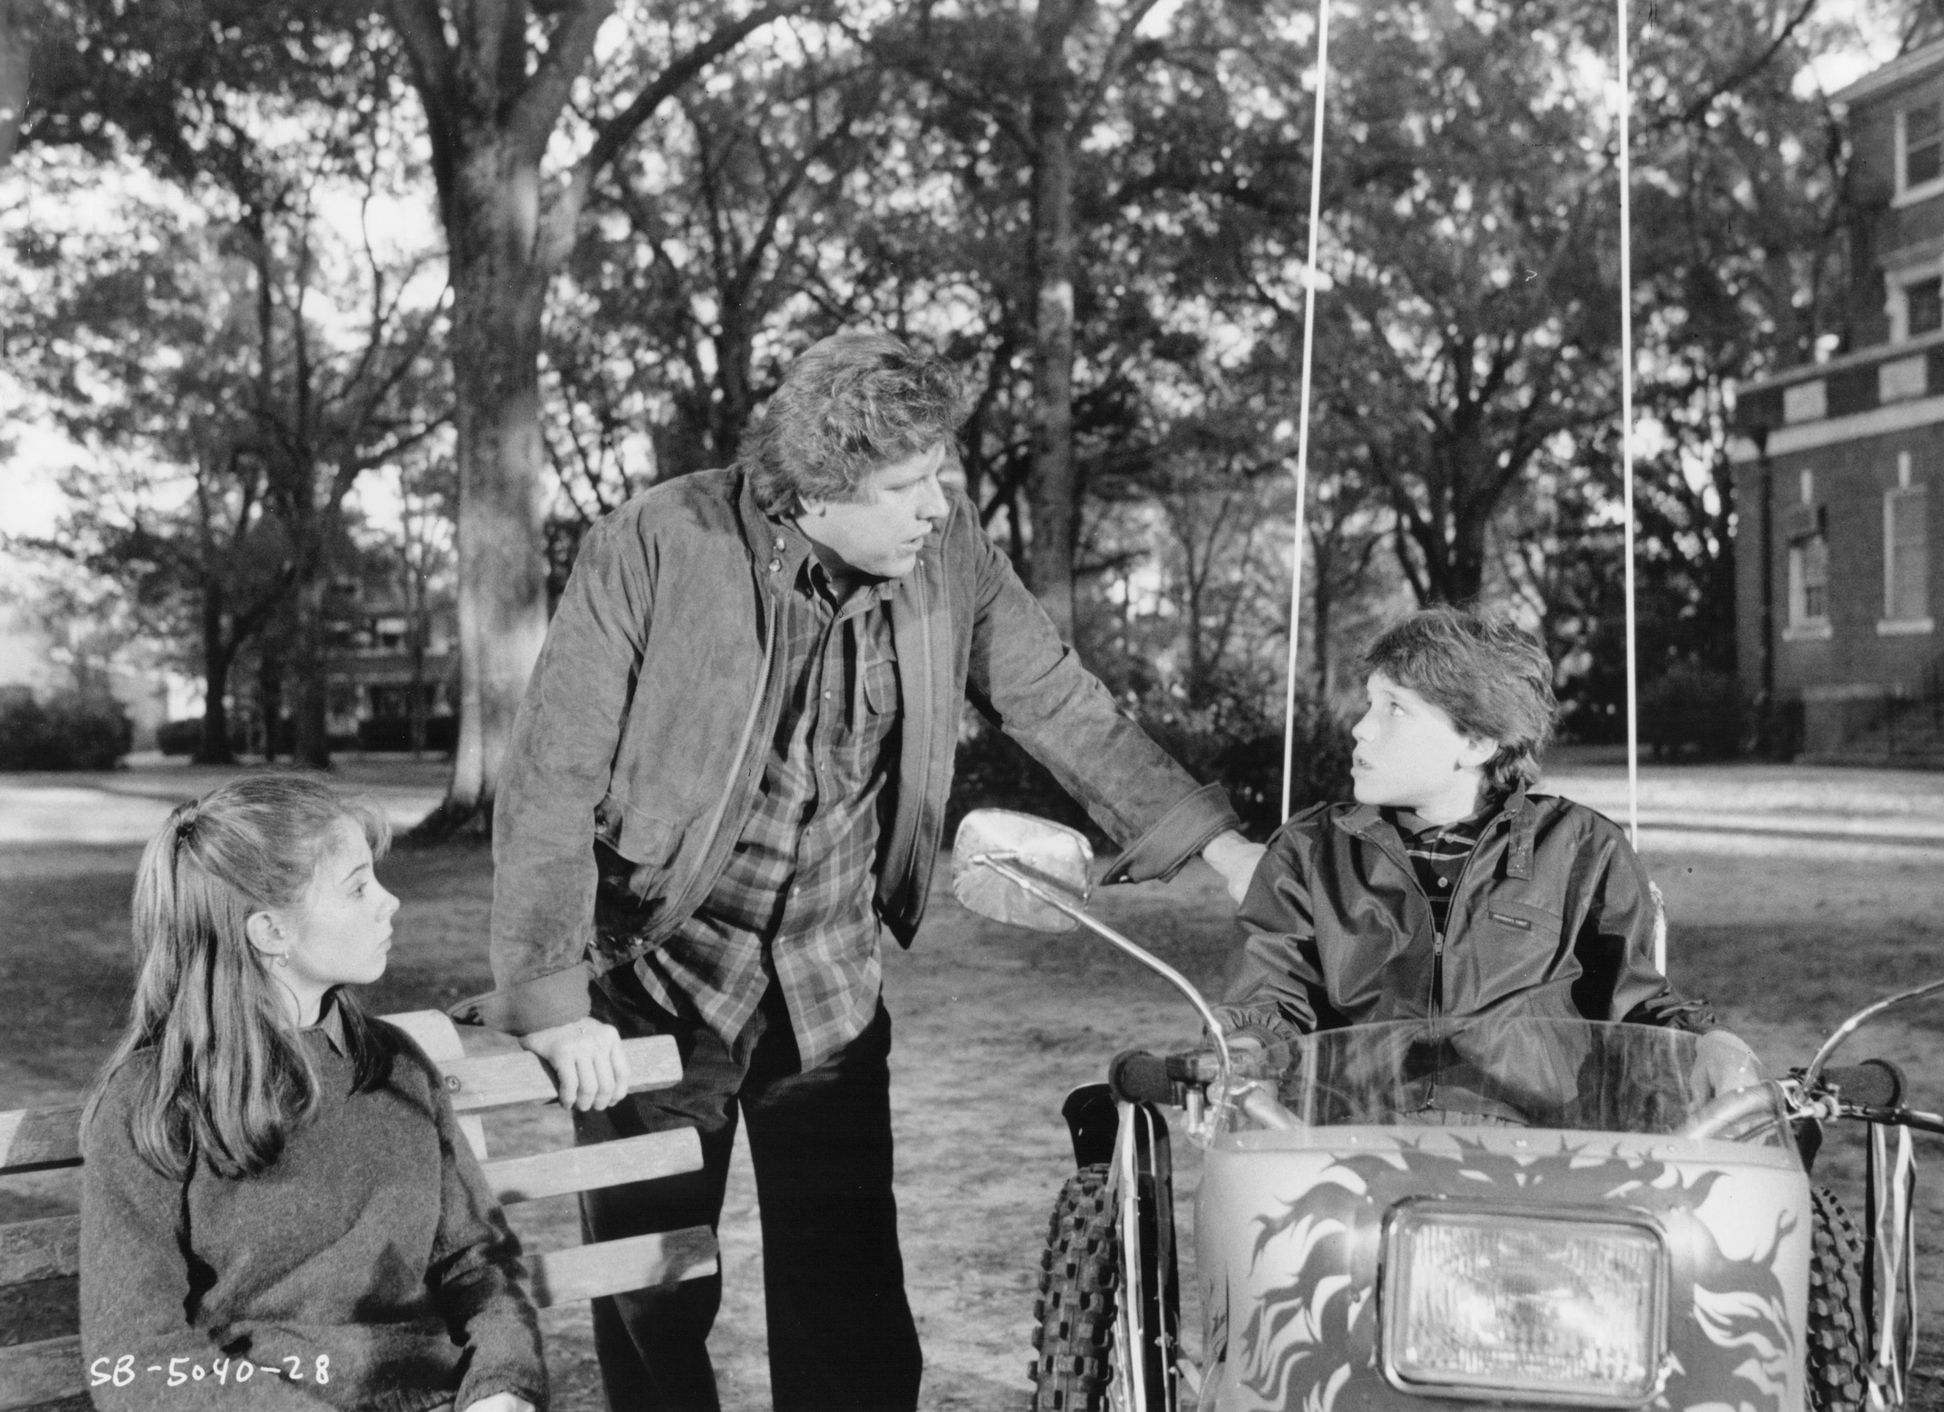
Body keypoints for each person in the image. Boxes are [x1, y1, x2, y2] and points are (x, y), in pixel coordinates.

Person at [461, 330, 1266, 1411]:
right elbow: (551, 777)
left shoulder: (949, 554)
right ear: (815, 490)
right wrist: (555, 1008)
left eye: (940, 474)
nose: (936, 503)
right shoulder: (655, 541)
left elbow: (1058, 700)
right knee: (653, 1301)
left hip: (826, 992)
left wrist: (1222, 848)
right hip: (653, 985)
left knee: (847, 1308)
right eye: (906, 485)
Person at [78, 773, 545, 1412]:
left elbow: (476, 1262)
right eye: (357, 887)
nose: (390, 902)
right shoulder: (154, 1106)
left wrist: (502, 1383)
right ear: (271, 932)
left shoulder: (395, 1068)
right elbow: (134, 1361)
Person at [1215, 608, 1761, 1109]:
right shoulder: (1313, 848)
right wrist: (1246, 1049)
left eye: (1395, 708)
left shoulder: (1581, 849)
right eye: (1369, 703)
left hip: (1537, 1154)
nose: (1361, 728)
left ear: (1477, 743)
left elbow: (1636, 1002)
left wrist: (1709, 1044)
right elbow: (1272, 996)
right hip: (1353, 1140)